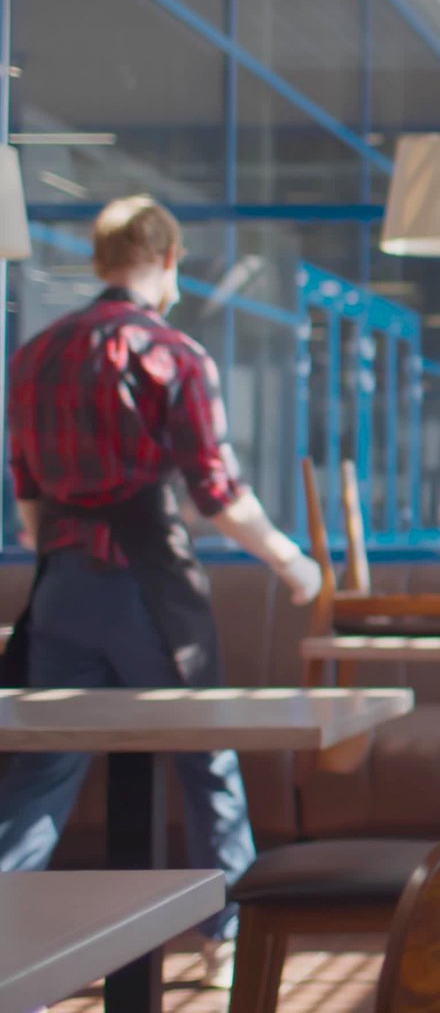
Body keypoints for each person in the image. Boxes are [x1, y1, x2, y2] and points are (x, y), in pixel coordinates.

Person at [0, 196, 323, 988]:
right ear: (169, 259)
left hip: (63, 587)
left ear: (103, 256)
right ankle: (230, 937)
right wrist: (291, 562)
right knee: (205, 756)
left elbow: (29, 495)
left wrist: (64, 546)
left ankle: (8, 942)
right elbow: (216, 492)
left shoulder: (34, 353)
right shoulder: (172, 353)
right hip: (149, 585)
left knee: (45, 766)